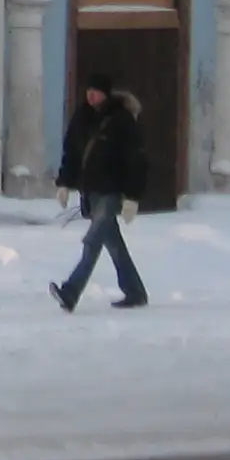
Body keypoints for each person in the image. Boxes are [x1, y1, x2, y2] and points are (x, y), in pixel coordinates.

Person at [51, 72, 149, 311]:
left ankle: (70, 292)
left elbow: (136, 159)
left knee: (92, 241)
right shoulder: (82, 117)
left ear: (105, 93)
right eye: (88, 91)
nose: (90, 95)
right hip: (90, 191)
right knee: (113, 243)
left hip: (111, 190)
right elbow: (71, 152)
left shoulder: (121, 120)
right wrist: (64, 183)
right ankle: (135, 291)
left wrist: (133, 196)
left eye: (95, 91)